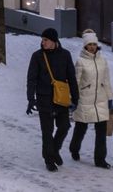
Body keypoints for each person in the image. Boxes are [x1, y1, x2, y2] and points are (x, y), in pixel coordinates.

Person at [26, 27, 79, 172]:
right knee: (47, 130)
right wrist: (31, 98)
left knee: (64, 126)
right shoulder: (37, 56)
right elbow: (31, 79)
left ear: (54, 41)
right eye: (42, 40)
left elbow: (71, 78)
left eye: (46, 40)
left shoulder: (65, 55)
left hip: (60, 98)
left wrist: (76, 98)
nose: (43, 43)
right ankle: (49, 160)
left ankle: (54, 150)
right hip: (44, 98)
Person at [69, 30, 113, 169]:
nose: (92, 47)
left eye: (94, 44)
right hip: (84, 99)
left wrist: (110, 97)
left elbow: (106, 80)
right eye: (90, 44)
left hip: (100, 99)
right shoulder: (80, 61)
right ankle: (74, 148)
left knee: (101, 132)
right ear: (85, 46)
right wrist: (73, 98)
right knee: (81, 127)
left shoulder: (102, 61)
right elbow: (75, 81)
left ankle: (100, 160)